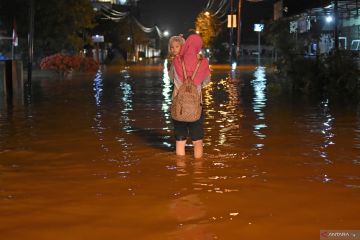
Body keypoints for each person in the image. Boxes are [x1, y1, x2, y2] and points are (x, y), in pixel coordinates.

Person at [170, 34, 211, 159]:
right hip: (196, 105)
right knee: (197, 140)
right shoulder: (203, 62)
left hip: (178, 104)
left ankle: (180, 169)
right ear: (198, 47)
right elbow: (206, 82)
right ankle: (198, 169)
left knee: (180, 139)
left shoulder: (176, 61)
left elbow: (171, 78)